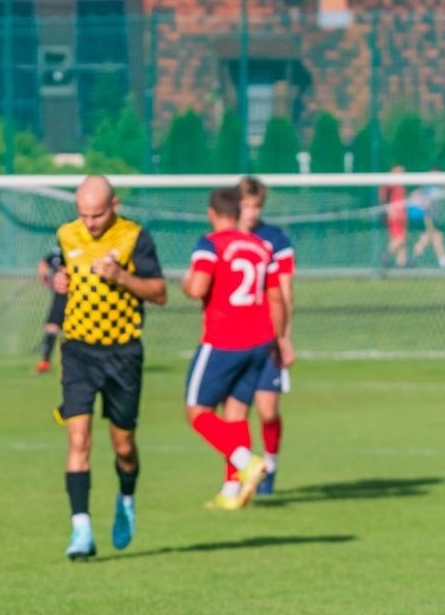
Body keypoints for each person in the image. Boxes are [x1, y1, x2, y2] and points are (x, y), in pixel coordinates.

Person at [51, 175, 167, 560]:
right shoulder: (67, 234)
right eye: (83, 214)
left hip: (123, 353)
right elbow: (56, 265)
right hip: (79, 352)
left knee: (124, 447)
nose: (89, 223)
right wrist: (55, 278)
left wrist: (120, 276)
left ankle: (127, 498)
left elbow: (160, 292)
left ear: (114, 206)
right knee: (78, 439)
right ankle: (81, 529)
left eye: (97, 215)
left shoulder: (135, 238)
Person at [180, 187, 280, 510]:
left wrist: (185, 281)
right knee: (236, 414)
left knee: (197, 412)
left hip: (224, 339)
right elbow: (275, 296)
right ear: (238, 212)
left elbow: (197, 288)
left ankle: (246, 462)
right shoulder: (262, 247)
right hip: (260, 341)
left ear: (212, 213)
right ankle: (231, 491)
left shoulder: (210, 244)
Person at [233, 177, 295, 496]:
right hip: (233, 340)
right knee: (236, 413)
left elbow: (285, 293)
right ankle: (239, 476)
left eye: (257, 206)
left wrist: (285, 338)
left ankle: (270, 462)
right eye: (246, 205)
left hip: (267, 338)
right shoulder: (224, 239)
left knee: (268, 410)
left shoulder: (275, 239)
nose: (252, 213)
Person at [34, 246, 66, 374]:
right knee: (51, 327)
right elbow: (43, 263)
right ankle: (45, 362)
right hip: (61, 296)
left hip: (81, 297)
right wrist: (44, 278)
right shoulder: (58, 251)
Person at [409, 175, 445, 268]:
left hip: (429, 218)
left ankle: (443, 261)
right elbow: (423, 205)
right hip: (428, 219)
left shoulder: (429, 191)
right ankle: (444, 261)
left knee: (431, 238)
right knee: (434, 237)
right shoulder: (423, 192)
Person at [378, 167, 408, 269]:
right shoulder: (391, 182)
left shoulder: (400, 185)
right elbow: (382, 193)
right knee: (400, 238)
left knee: (402, 240)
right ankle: (386, 256)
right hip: (395, 215)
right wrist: (388, 209)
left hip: (401, 215)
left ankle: (402, 264)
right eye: (400, 172)